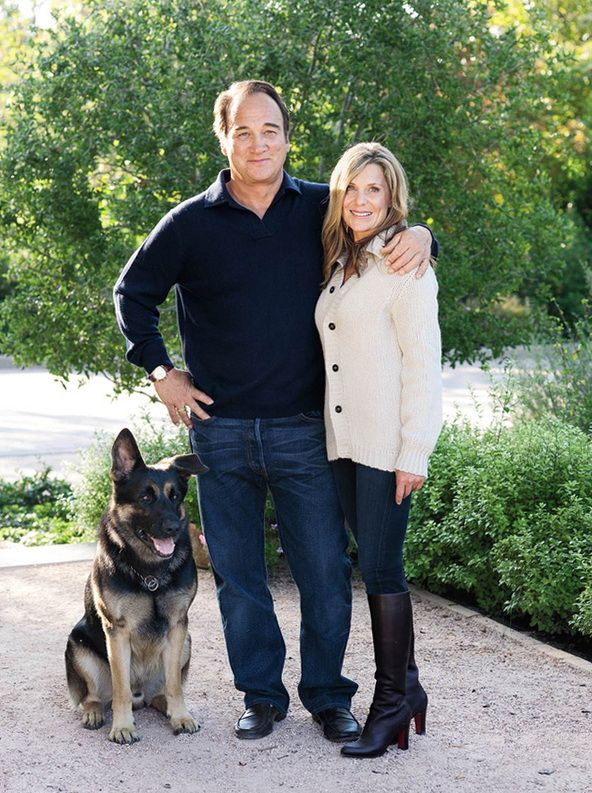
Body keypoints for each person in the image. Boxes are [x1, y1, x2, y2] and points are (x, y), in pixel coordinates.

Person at [113, 81, 437, 742]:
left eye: (270, 130)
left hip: (304, 428)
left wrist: (426, 237)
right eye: (243, 131)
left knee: (323, 571)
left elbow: (388, 235)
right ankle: (261, 694)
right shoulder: (189, 223)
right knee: (240, 577)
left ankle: (327, 694)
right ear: (224, 139)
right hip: (219, 433)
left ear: (288, 136)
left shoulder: (322, 207)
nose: (258, 143)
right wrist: (160, 372)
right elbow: (131, 294)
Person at [315, 142, 442, 758]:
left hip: (387, 446)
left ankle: (391, 700)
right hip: (344, 441)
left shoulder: (404, 263)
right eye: (352, 189)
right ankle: (409, 688)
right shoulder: (345, 260)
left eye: (376, 190)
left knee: (383, 570)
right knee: (373, 564)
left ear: (392, 199)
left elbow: (424, 365)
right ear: (339, 194)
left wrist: (414, 451)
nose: (362, 201)